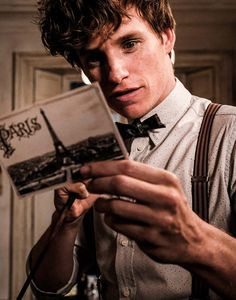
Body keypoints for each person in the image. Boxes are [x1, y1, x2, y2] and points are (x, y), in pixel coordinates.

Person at [28, 0, 236, 299]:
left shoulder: (231, 133)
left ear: (166, 37)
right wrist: (65, 223)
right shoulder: (92, 148)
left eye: (130, 43)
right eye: (94, 58)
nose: (115, 74)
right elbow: (47, 288)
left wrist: (194, 239)